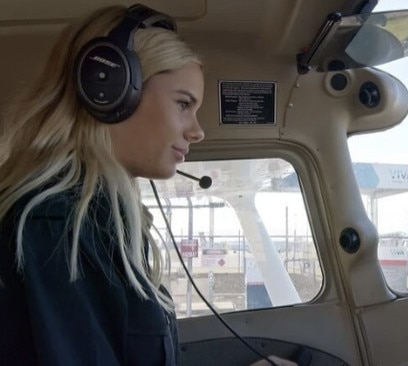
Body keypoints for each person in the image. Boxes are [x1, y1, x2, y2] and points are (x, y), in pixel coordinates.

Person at [0, 4, 295, 366]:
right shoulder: (56, 228)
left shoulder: (98, 221)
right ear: (108, 89)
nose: (197, 131)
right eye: (183, 104)